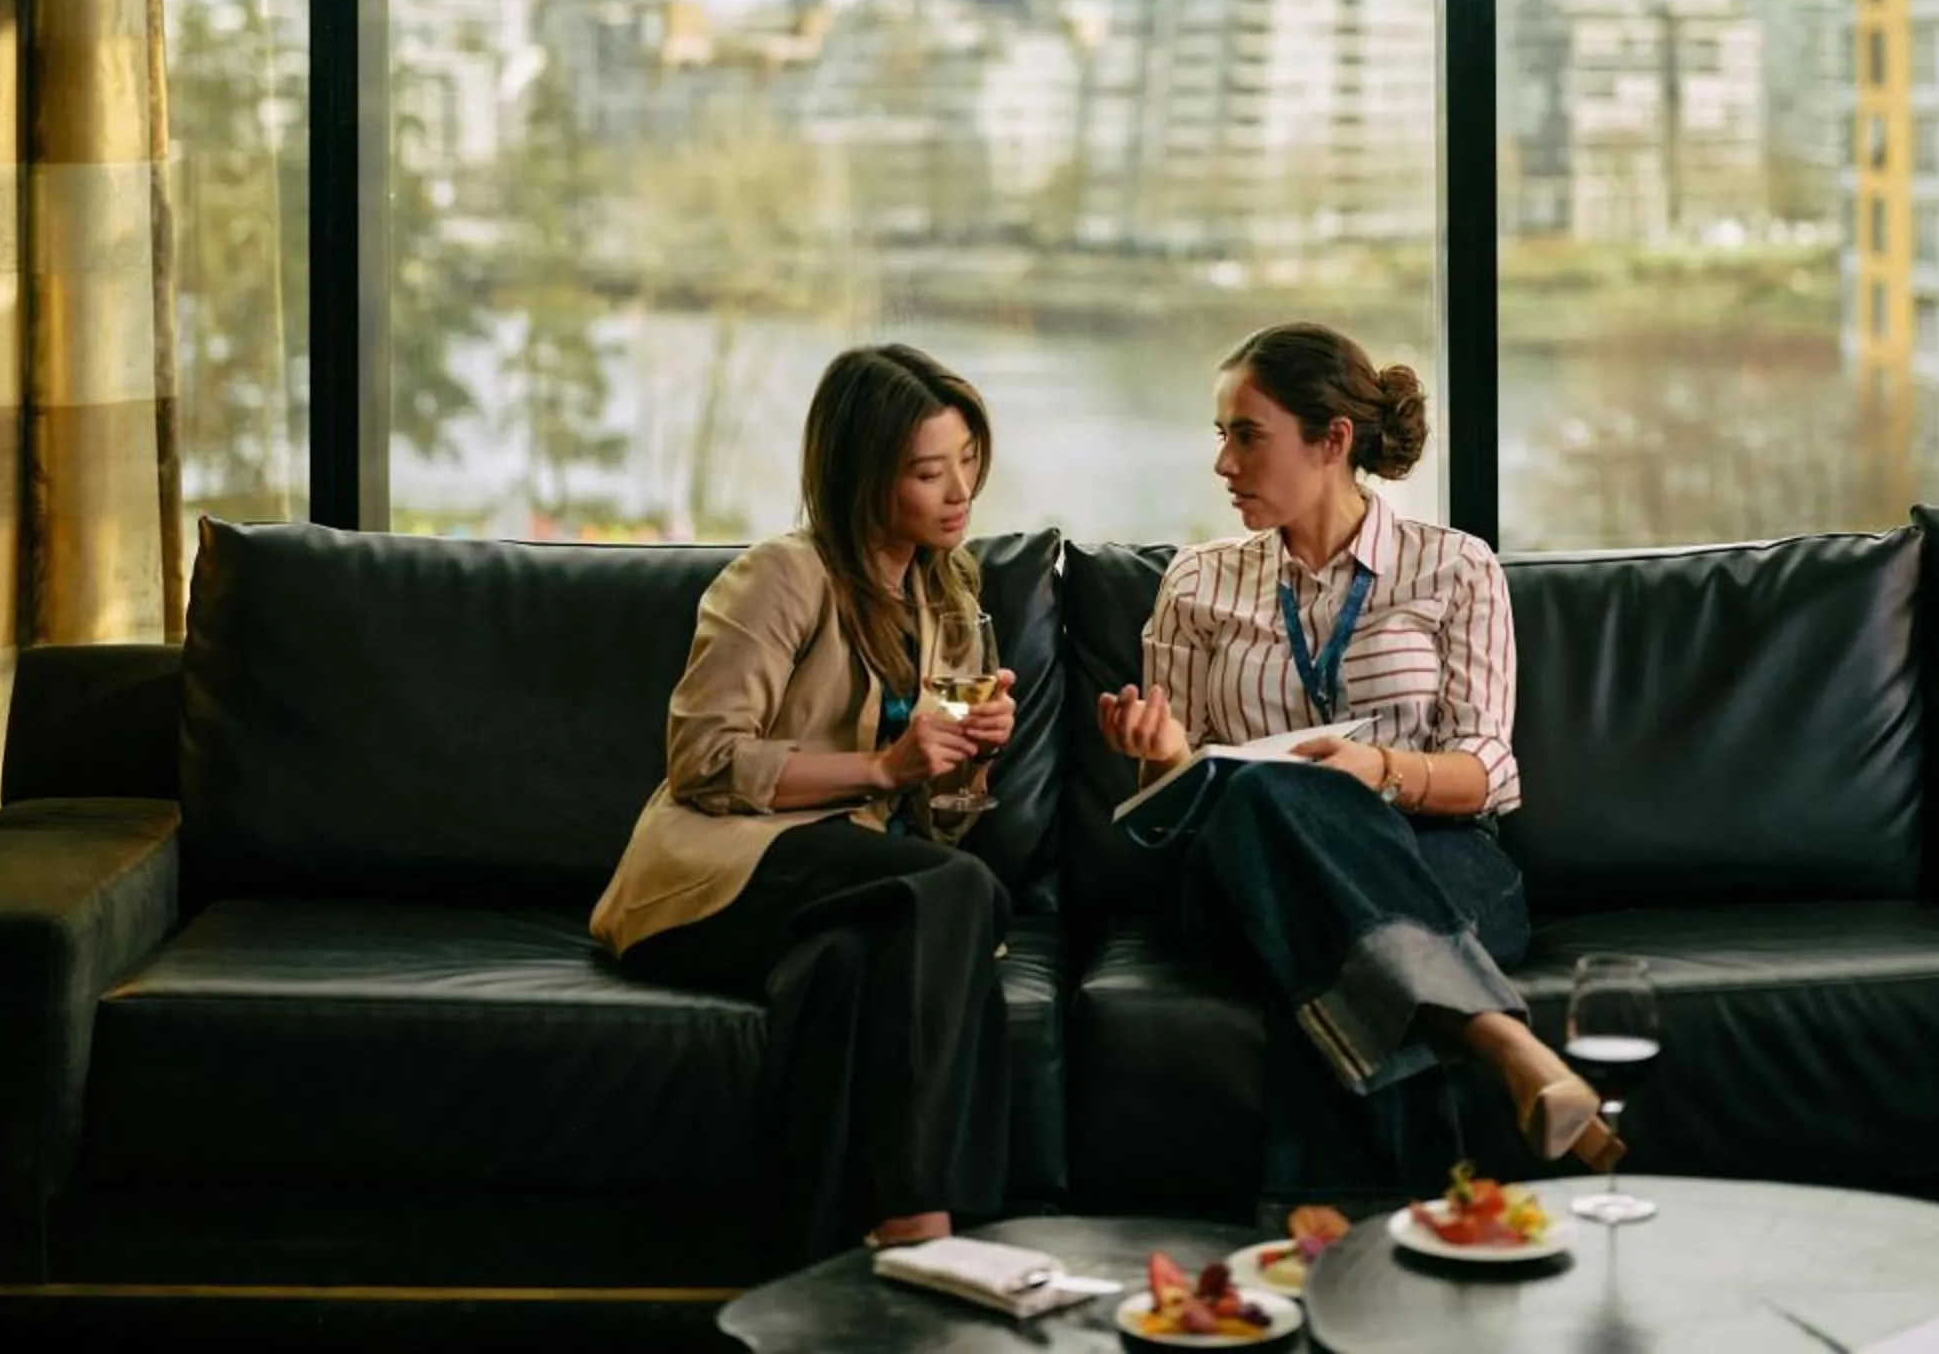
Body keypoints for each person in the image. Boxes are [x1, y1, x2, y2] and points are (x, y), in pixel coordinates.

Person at [1094, 320, 1620, 1198]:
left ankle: (1329, 1240)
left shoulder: (1453, 568)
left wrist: (1379, 773)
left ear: (1332, 440)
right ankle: (1503, 1039)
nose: (1223, 463)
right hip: (1244, 867)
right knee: (1267, 801)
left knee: (1326, 968)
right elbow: (1169, 805)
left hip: (1438, 857)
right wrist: (1168, 754)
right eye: (1220, 436)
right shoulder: (1197, 582)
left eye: (1247, 435)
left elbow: (1487, 767)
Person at [593, 344, 1019, 1256]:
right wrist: (882, 769)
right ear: (863, 473)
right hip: (719, 871)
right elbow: (703, 759)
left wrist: (966, 764)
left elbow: (934, 817)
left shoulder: (950, 595)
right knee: (961, 892)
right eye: (928, 472)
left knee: (852, 966)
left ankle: (817, 1256)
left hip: (850, 874)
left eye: (968, 465)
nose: (959, 494)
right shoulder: (782, 576)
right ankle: (933, 1224)